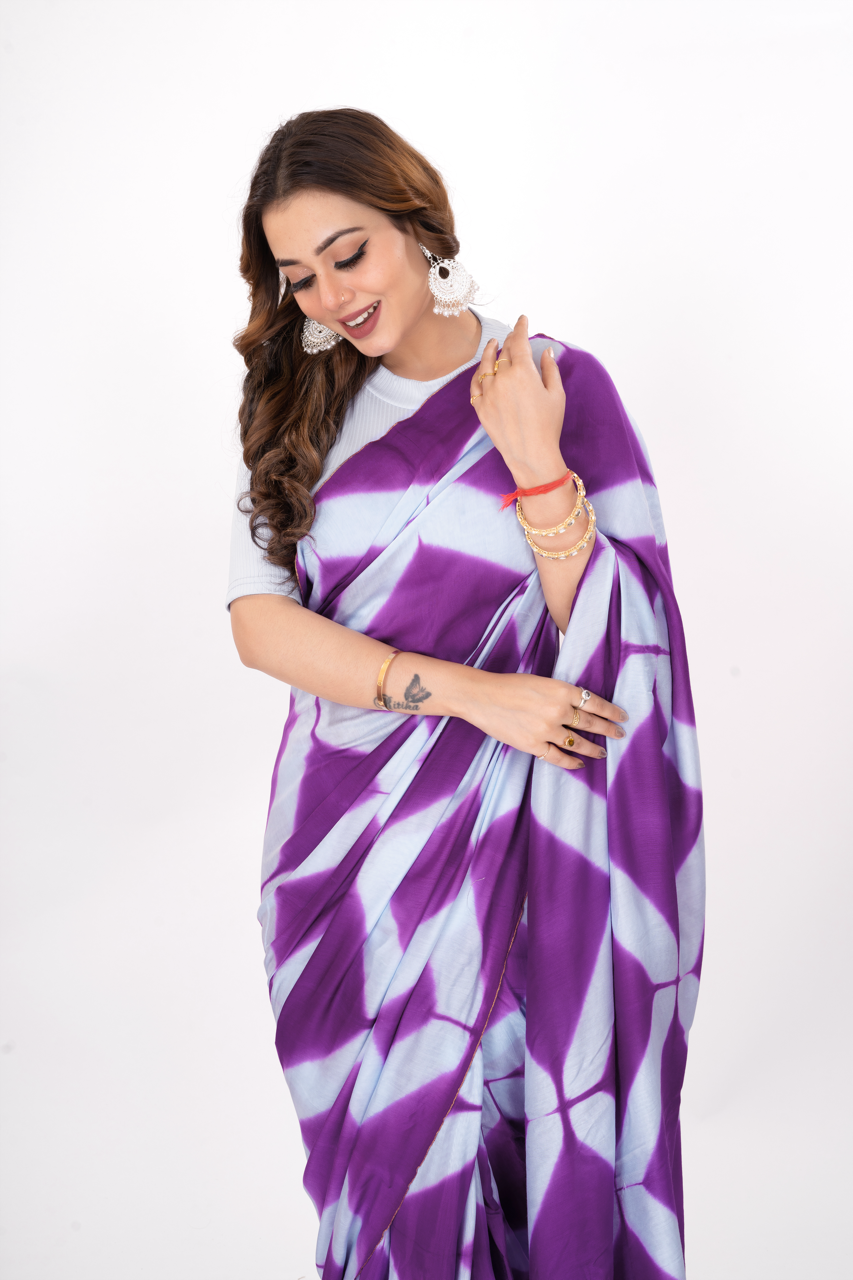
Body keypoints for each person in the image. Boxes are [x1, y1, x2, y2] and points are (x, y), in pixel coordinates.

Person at [226, 107, 704, 1280]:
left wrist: (535, 462)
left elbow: (619, 630)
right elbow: (259, 623)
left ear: (417, 223)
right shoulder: (294, 410)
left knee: (515, 1142)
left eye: (349, 252)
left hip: (533, 850)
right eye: (300, 276)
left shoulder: (554, 383)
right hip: (349, 861)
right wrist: (470, 694)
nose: (332, 295)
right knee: (392, 1181)